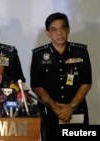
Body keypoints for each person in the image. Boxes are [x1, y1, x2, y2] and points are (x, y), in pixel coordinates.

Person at [30, 12, 92, 141]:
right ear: (48, 33)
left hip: (76, 110)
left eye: (62, 28)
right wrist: (56, 109)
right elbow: (36, 86)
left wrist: (71, 106)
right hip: (49, 113)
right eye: (54, 29)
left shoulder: (81, 52)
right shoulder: (39, 55)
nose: (59, 33)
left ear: (68, 30)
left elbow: (86, 82)